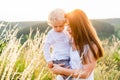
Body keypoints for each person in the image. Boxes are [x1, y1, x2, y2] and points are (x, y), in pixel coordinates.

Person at [51, 9, 104, 80]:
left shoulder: (92, 46)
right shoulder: (68, 40)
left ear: (79, 26)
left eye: (70, 25)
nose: (67, 29)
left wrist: (62, 70)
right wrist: (55, 67)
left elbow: (85, 74)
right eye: (66, 25)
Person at [43, 8, 71, 80]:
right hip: (60, 59)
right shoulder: (51, 34)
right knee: (70, 76)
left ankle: (60, 78)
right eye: (55, 26)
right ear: (51, 24)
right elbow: (46, 46)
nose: (58, 29)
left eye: (61, 26)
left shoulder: (66, 31)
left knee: (67, 75)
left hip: (69, 58)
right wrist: (48, 59)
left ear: (65, 23)